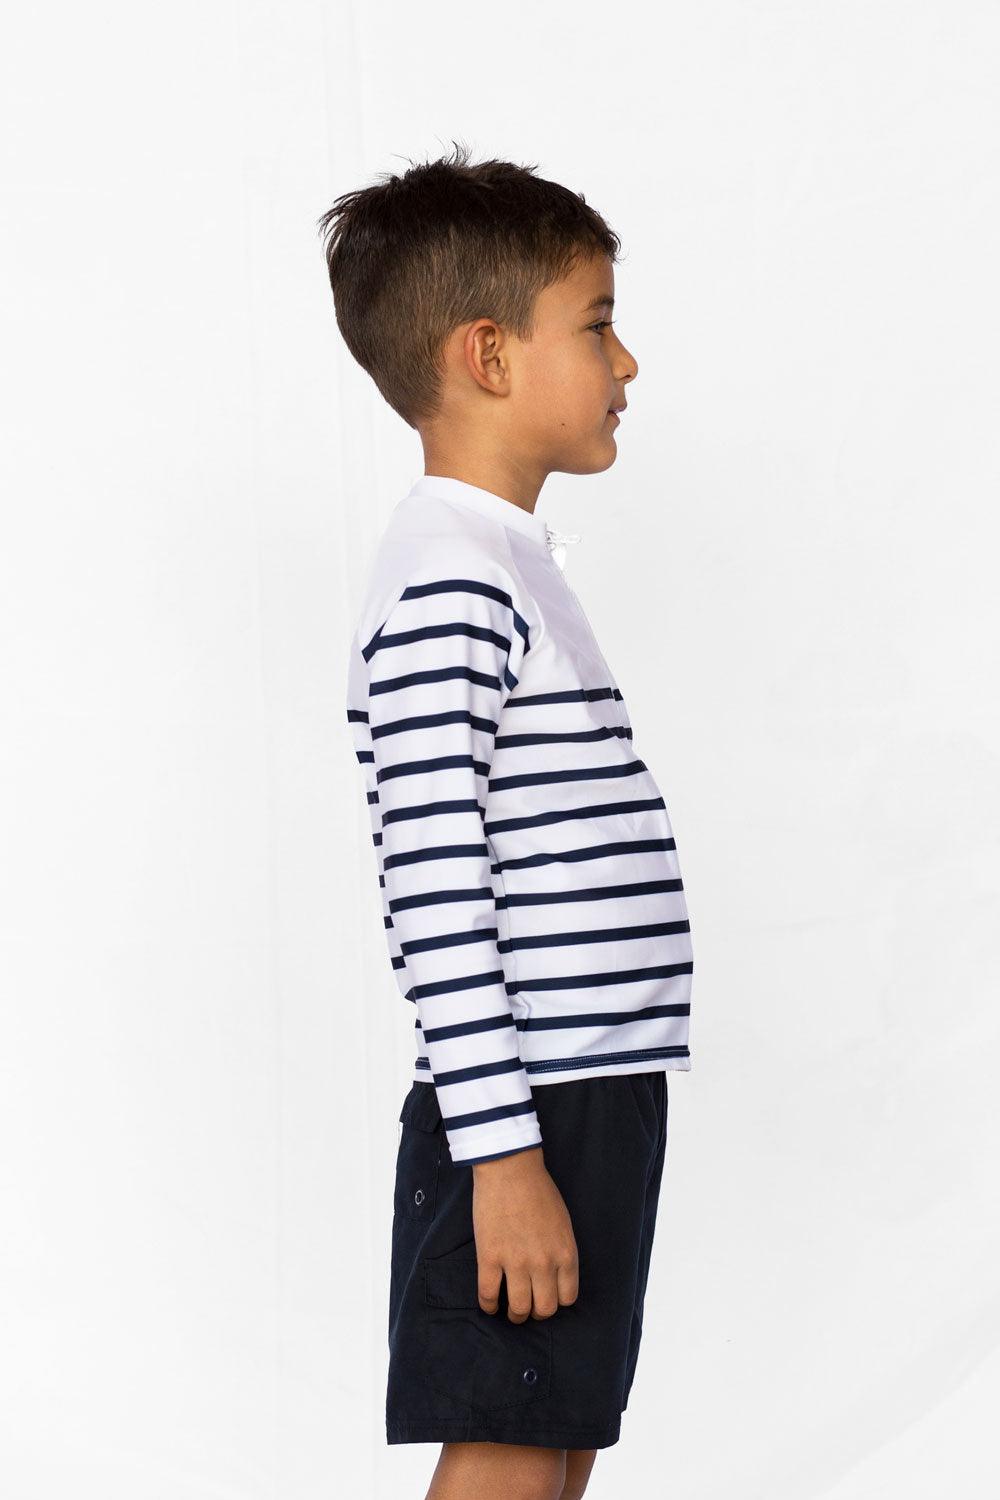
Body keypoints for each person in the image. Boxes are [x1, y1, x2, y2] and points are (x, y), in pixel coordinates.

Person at [321, 142, 694, 1500]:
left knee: (554, 1444)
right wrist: (504, 1155)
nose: (626, 362)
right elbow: (437, 886)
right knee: (511, 1454)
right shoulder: (450, 580)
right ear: (488, 355)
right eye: (596, 326)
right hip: (532, 1107)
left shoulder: (503, 565)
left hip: (584, 1092)